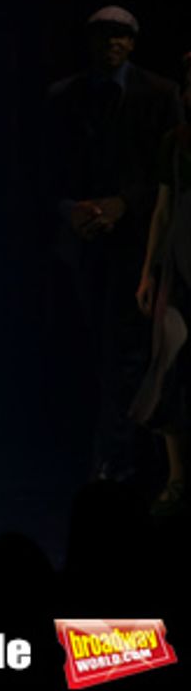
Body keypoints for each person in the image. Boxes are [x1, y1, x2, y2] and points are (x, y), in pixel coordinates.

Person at [44, 6, 184, 483]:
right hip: (81, 239)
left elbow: (170, 174)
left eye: (120, 36)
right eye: (103, 35)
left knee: (125, 351)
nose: (111, 44)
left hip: (136, 241)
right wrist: (70, 208)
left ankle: (118, 459)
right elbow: (44, 167)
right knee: (89, 350)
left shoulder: (161, 94)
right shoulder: (65, 96)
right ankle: (103, 454)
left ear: (133, 42)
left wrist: (123, 205)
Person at [132, 52, 191, 514]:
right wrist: (149, 270)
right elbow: (163, 209)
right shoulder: (176, 141)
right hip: (180, 262)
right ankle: (177, 478)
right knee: (170, 364)